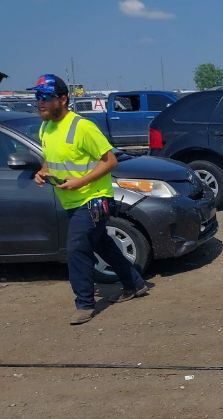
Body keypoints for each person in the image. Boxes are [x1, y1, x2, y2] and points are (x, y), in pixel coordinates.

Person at [28, 74, 149, 325]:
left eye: (45, 97)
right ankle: (135, 284)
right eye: (37, 96)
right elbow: (51, 158)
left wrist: (80, 182)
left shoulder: (82, 127)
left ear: (63, 99)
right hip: (71, 201)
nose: (40, 102)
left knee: (76, 249)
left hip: (94, 200)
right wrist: (42, 172)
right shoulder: (45, 127)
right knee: (102, 243)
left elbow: (110, 161)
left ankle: (84, 304)